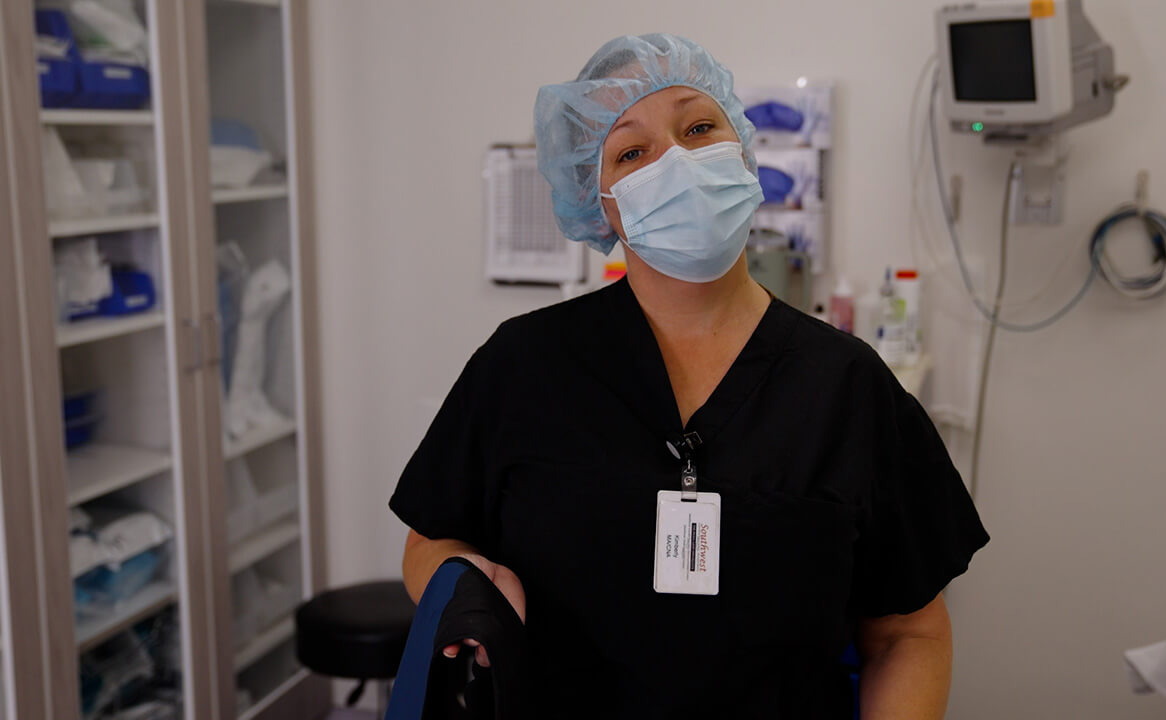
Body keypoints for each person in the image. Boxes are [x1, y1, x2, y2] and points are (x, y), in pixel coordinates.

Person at [392, 33, 989, 719]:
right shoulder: (523, 364)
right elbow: (429, 539)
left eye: (698, 126)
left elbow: (908, 634)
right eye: (631, 151)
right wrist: (465, 582)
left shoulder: (847, 386)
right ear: (601, 202)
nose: (675, 159)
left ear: (741, 149)